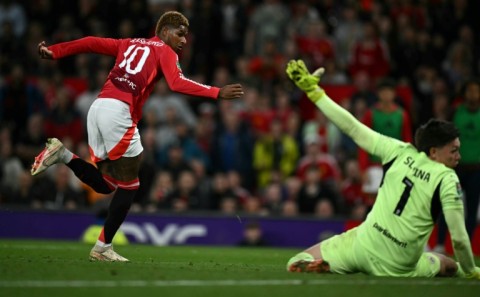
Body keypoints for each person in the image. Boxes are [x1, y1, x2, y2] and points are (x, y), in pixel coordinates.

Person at [30, 11, 243, 262]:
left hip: (97, 108)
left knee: (107, 184)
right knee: (131, 185)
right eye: (180, 34)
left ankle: (62, 154)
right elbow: (176, 83)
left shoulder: (128, 43)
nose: (184, 41)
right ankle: (102, 248)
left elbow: (89, 41)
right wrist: (216, 92)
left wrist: (55, 51)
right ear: (164, 32)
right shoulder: (165, 51)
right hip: (119, 112)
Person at [284, 59, 480, 279]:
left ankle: (328, 264)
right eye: (453, 150)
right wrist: (471, 270)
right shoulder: (446, 177)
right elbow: (460, 239)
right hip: (399, 264)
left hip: (363, 246)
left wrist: (314, 91)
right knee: (448, 265)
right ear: (434, 152)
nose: (458, 156)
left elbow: (352, 127)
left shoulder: (398, 151)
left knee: (297, 261)